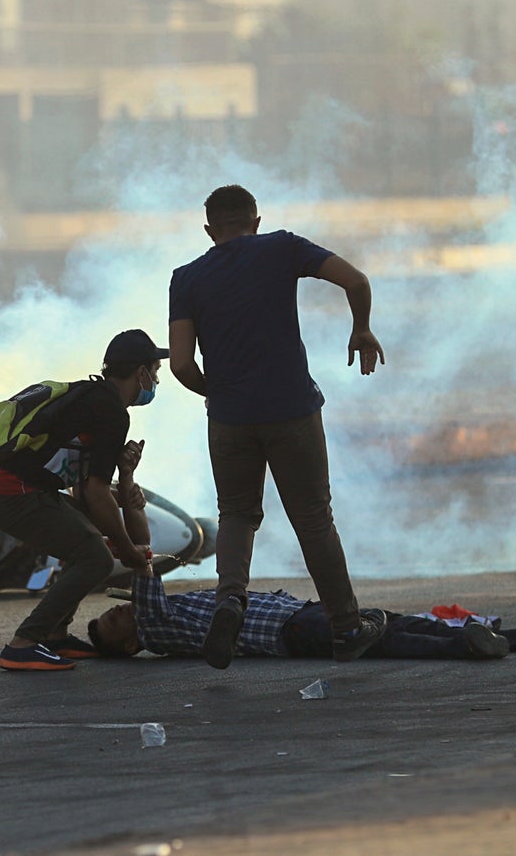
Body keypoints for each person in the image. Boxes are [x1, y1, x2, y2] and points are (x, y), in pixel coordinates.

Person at [168, 184, 386, 669]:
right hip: (292, 410)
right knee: (312, 518)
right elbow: (356, 281)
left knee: (237, 514)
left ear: (209, 230)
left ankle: (229, 601)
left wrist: (221, 393)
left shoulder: (186, 277)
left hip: (229, 419)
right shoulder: (282, 247)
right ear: (256, 221)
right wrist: (362, 328)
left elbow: (181, 364)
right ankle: (347, 629)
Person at [0, 329, 163, 671]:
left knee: (88, 537)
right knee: (97, 559)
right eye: (155, 372)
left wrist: (124, 483)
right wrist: (127, 550)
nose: (155, 381)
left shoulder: (92, 397)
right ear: (140, 373)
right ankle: (24, 643)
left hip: (7, 489)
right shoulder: (112, 412)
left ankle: (56, 635)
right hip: (13, 493)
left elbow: (83, 491)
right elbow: (94, 493)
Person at [88, 567, 516, 661]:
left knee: (396, 621)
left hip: (296, 613)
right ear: (131, 645)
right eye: (114, 622)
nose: (122, 613)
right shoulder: (155, 626)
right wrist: (126, 487)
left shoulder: (163, 617)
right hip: (288, 630)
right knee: (386, 639)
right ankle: (467, 645)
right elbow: (141, 563)